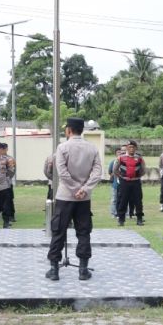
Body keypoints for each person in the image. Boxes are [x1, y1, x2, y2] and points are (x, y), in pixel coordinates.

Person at [48, 118, 103, 281]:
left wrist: (74, 189)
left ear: (69, 130)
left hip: (65, 196)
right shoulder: (92, 148)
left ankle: (54, 270)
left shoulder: (63, 147)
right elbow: (97, 172)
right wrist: (84, 189)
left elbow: (62, 173)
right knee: (84, 232)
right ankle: (83, 270)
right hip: (84, 199)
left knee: (58, 232)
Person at [115, 140, 146, 226]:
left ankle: (139, 219)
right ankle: (121, 220)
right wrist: (121, 177)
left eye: (133, 147)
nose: (131, 149)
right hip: (124, 182)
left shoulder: (139, 158)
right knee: (123, 200)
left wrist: (137, 177)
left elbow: (144, 170)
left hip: (136, 182)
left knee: (138, 201)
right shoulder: (120, 158)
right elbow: (115, 170)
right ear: (127, 148)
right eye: (129, 147)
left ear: (136, 148)